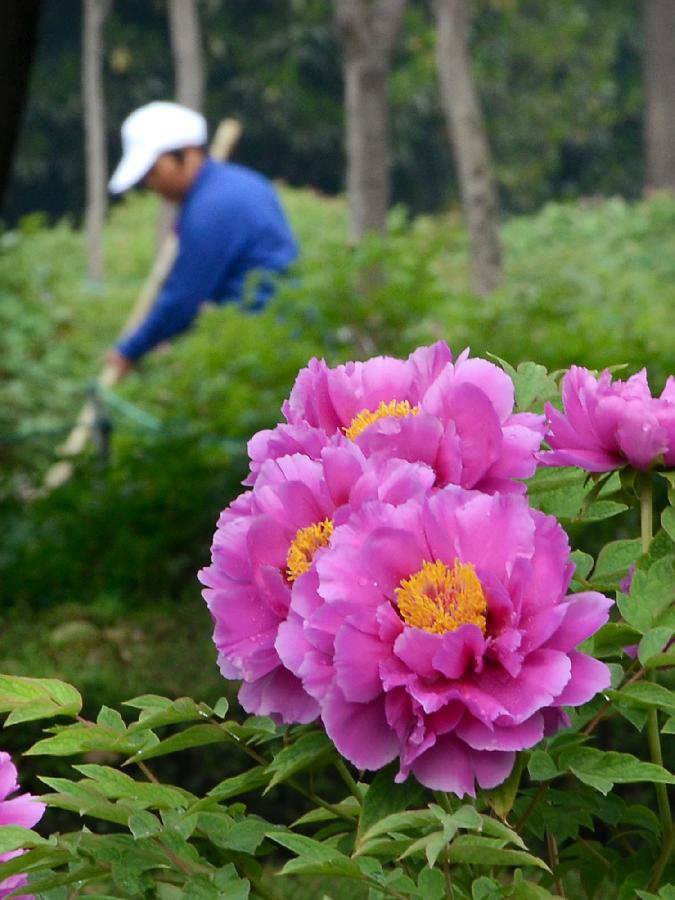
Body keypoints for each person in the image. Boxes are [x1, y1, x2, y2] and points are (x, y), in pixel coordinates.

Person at [106, 101, 299, 380]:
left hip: (258, 343)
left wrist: (130, 350)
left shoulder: (210, 207)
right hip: (282, 331)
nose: (151, 183)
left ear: (185, 153)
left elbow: (185, 297)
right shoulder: (241, 183)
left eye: (152, 170)